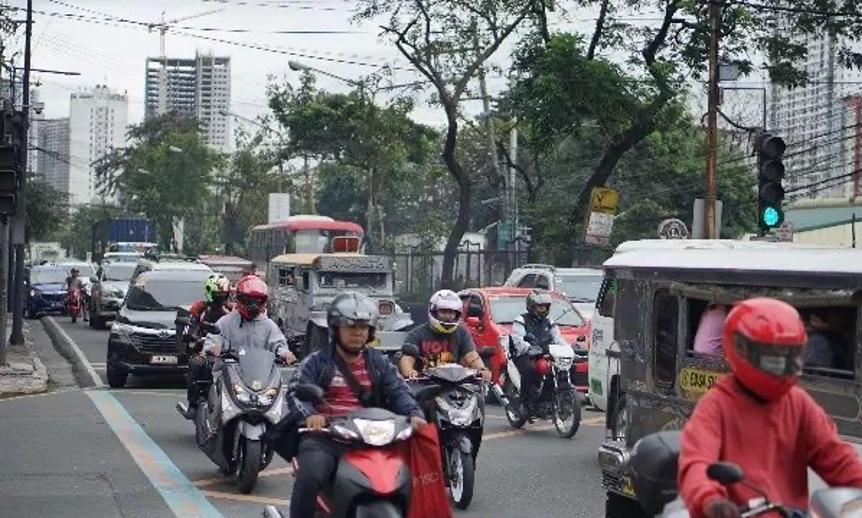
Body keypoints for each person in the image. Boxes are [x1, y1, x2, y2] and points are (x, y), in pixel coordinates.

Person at [678, 298, 862, 518]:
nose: (783, 367)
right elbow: (697, 463)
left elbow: (837, 458)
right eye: (773, 358)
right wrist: (710, 500)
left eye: (791, 357)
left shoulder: (798, 403)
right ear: (742, 350)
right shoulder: (717, 405)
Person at [289, 292, 426, 518]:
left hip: (373, 438)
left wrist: (414, 413)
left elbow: (399, 390)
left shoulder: (379, 362)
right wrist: (310, 415)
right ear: (335, 328)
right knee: (311, 474)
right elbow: (296, 392)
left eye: (363, 327)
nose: (358, 332)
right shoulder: (317, 362)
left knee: (408, 476)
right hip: (326, 437)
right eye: (351, 326)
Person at [202, 274, 296, 366]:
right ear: (240, 298)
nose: (253, 306)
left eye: (257, 301)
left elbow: (279, 344)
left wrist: (285, 354)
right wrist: (213, 348)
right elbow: (213, 339)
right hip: (230, 371)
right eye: (249, 301)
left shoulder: (268, 325)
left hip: (260, 372)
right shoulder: (226, 322)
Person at [398, 289, 492, 381]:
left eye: (451, 313)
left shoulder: (462, 332)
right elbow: (407, 358)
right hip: (425, 384)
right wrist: (409, 371)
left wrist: (482, 369)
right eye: (443, 312)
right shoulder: (416, 334)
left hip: (454, 383)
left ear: (457, 314)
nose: (448, 317)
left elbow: (471, 356)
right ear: (433, 311)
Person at [182, 274, 234, 415]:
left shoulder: (232, 310)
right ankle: (193, 403)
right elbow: (189, 326)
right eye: (218, 294)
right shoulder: (199, 308)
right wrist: (193, 336)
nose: (221, 298)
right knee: (196, 364)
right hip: (203, 350)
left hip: (227, 351)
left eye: (224, 294)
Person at [509, 290, 566, 412]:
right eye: (540, 306)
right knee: (530, 370)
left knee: (562, 369)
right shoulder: (521, 320)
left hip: (544, 353)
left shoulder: (549, 322)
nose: (543, 308)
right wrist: (530, 348)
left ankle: (547, 399)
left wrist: (567, 348)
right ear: (532, 306)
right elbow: (518, 340)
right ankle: (524, 402)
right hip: (524, 354)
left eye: (545, 306)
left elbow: (557, 338)